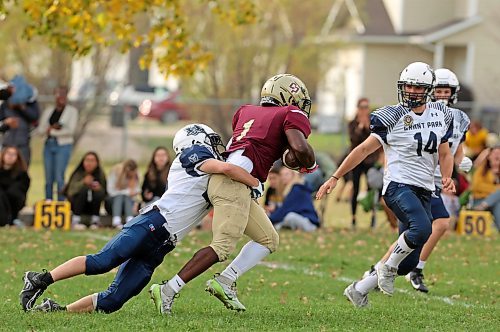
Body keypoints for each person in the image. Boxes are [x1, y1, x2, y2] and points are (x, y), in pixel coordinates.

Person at [19, 123, 263, 313]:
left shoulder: (206, 166)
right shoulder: (193, 154)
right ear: (196, 139)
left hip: (163, 243)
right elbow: (227, 168)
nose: (216, 146)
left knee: (114, 300)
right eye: (211, 141)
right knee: (102, 262)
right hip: (152, 224)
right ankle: (39, 279)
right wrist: (255, 183)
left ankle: (58, 311)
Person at [150, 73, 317, 314]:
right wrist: (308, 164)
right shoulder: (290, 113)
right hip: (233, 182)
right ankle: (168, 289)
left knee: (268, 239)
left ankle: (226, 281)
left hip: (230, 180)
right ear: (287, 97)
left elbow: (263, 145)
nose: (300, 106)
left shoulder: (245, 111)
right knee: (221, 247)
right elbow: (300, 148)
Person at [316, 62, 455, 306]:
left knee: (408, 262)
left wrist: (447, 176)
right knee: (423, 229)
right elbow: (362, 150)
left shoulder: (440, 114)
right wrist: (335, 177)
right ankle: (387, 269)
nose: (411, 91)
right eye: (407, 86)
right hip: (398, 187)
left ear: (428, 89)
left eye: (417, 86)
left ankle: (359, 289)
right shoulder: (392, 116)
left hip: (424, 189)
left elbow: (444, 153)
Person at [363, 68, 472, 294]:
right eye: (438, 90)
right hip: (414, 182)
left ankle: (372, 278)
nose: (442, 95)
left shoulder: (459, 118)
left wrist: (460, 163)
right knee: (432, 226)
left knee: (415, 234)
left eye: (446, 91)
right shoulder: (414, 115)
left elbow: (453, 151)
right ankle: (403, 271)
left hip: (434, 182)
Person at [38, 86, 78, 201]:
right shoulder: (49, 111)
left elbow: (70, 131)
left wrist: (53, 131)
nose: (60, 97)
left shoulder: (72, 111)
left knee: (59, 176)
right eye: (58, 94)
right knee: (48, 177)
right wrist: (50, 129)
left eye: (63, 94)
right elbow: (42, 129)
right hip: (48, 145)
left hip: (63, 146)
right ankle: (48, 201)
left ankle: (60, 202)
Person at [348, 98, 380, 229]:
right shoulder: (352, 124)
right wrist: (360, 127)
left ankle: (373, 216)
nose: (364, 110)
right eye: (361, 107)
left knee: (371, 189)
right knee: (355, 188)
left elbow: (375, 140)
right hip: (356, 162)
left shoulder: (373, 122)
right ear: (357, 108)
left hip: (370, 160)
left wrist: (367, 127)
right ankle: (353, 218)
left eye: (366, 107)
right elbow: (353, 140)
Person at [0, 75, 40, 165]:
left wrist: (22, 108)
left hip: (22, 145)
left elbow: (35, 118)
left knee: (22, 173)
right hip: (7, 144)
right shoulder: (5, 104)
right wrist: (7, 123)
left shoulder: (30, 103)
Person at [64, 152, 107, 229]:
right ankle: (76, 220)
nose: (89, 163)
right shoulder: (77, 173)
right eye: (87, 160)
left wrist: (99, 189)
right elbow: (70, 192)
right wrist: (83, 182)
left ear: (97, 163)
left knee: (98, 192)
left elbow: (105, 193)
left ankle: (95, 220)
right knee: (84, 189)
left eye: (92, 161)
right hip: (77, 205)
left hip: (92, 205)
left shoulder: (100, 174)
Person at [269, 167, 319, 232]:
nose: (283, 177)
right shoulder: (290, 189)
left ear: (293, 175)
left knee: (290, 216)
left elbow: (285, 209)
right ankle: (279, 226)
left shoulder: (297, 189)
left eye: (286, 174)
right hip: (301, 219)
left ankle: (278, 226)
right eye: (282, 175)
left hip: (309, 224)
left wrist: (269, 220)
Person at [471, 146, 500, 230]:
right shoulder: (482, 170)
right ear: (489, 156)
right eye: (494, 153)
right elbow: (476, 186)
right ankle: (485, 204)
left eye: (499, 153)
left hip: (492, 203)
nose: (496, 156)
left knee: (498, 203)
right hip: (478, 201)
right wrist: (495, 190)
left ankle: (485, 204)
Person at [0, 146, 30, 227]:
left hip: (14, 202)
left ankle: (8, 220)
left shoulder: (22, 174)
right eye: (8, 153)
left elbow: (18, 191)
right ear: (3, 155)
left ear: (17, 157)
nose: (10, 156)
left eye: (13, 154)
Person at [107, 159, 140, 228]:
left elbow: (137, 190)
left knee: (127, 197)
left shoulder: (135, 175)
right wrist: (126, 192)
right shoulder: (115, 172)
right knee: (120, 196)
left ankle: (129, 220)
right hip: (112, 203)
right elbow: (110, 191)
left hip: (128, 204)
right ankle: (116, 220)